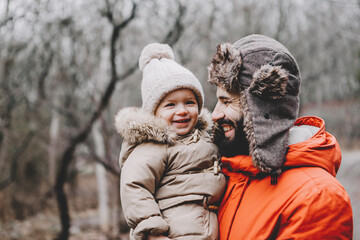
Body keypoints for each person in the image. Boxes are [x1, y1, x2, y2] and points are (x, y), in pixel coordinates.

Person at [208, 34, 353, 239]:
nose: (215, 114)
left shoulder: (316, 196)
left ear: (260, 109)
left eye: (226, 101)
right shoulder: (230, 174)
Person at [115, 43, 226, 240]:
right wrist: (152, 232)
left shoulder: (207, 139)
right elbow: (134, 186)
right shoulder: (155, 146)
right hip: (172, 233)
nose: (182, 110)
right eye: (171, 105)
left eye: (189, 102)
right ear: (154, 112)